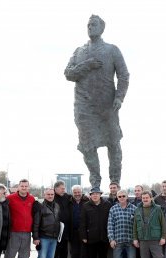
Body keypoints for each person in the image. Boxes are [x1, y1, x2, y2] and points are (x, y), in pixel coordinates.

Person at [64, 15, 129, 188]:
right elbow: (68, 74)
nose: (90, 27)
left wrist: (119, 97)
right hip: (84, 106)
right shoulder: (79, 51)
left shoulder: (112, 50)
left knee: (113, 143)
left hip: (107, 106)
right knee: (87, 145)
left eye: (94, 25)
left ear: (102, 28)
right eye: (88, 25)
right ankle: (95, 183)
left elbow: (124, 75)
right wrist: (86, 65)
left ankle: (115, 183)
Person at [1, 179, 35, 258]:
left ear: (28, 187)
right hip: (13, 233)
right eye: (22, 186)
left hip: (26, 234)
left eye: (26, 186)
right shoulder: (10, 198)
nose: (24, 188)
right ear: (18, 187)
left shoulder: (32, 199)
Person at [133, 191, 166, 258]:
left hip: (155, 240)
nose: (145, 199)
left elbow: (163, 224)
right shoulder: (138, 209)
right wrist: (135, 238)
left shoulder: (157, 209)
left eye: (147, 198)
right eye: (143, 198)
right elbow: (134, 225)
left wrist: (163, 237)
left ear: (151, 198)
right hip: (143, 240)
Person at [80, 187, 111, 258]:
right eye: (93, 194)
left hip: (104, 236)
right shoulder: (86, 206)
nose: (95, 195)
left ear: (100, 194)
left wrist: (111, 236)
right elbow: (83, 222)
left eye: (97, 194)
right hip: (91, 237)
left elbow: (111, 221)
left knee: (103, 257)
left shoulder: (107, 204)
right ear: (90, 195)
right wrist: (84, 236)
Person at [107, 190, 137, 258]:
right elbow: (110, 225)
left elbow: (137, 225)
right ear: (117, 198)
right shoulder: (113, 209)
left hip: (130, 240)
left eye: (124, 196)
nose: (122, 198)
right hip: (117, 240)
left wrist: (136, 239)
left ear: (127, 197)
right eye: (119, 196)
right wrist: (111, 239)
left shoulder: (134, 209)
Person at [33, 188, 60, 258]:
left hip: (54, 238)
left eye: (52, 194)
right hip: (43, 237)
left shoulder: (57, 206)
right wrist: (35, 237)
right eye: (48, 194)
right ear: (44, 195)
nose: (50, 196)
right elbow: (36, 223)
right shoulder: (40, 207)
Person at [69, 185, 89, 258]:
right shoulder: (69, 202)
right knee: (75, 253)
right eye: (75, 192)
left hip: (84, 232)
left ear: (82, 192)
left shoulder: (87, 201)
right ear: (72, 193)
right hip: (72, 232)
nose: (77, 194)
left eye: (78, 192)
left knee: (84, 253)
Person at [52, 180, 71, 258]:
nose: (64, 190)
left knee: (64, 252)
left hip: (66, 230)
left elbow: (77, 197)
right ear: (56, 189)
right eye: (62, 188)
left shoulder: (67, 197)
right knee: (56, 253)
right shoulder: (52, 197)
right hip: (56, 230)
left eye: (64, 188)